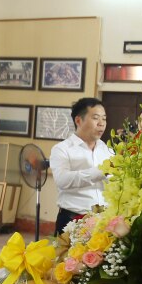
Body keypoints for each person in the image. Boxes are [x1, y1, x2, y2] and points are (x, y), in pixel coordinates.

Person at [50, 97, 112, 234]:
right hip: (73, 220)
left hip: (103, 221)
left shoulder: (107, 150)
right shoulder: (62, 149)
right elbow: (62, 180)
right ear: (78, 120)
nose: (101, 123)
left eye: (104, 118)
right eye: (96, 118)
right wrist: (99, 172)